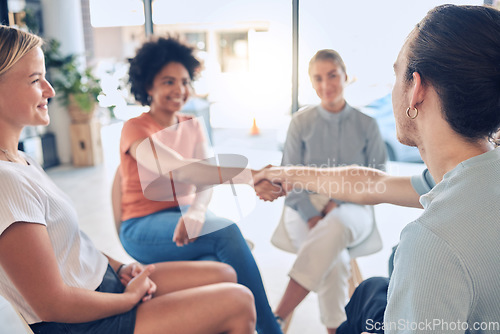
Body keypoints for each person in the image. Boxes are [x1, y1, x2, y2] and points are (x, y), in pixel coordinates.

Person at [255, 4, 500, 333]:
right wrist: (287, 174)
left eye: (396, 74)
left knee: (365, 297)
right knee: (370, 290)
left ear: (415, 89)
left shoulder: (432, 243)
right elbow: (372, 182)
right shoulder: (476, 173)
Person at [0, 25, 257, 334]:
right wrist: (129, 299)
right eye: (34, 79)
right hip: (88, 321)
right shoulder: (6, 181)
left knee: (225, 275)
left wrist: (120, 267)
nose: (50, 90)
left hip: (106, 284)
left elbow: (69, 245)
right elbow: (52, 305)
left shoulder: (22, 162)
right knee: (238, 301)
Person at [119, 36, 282, 334]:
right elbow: (180, 171)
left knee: (220, 266)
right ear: (148, 86)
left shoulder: (192, 123)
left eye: (184, 81)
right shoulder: (136, 128)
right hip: (141, 227)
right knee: (227, 232)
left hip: (183, 222)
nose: (179, 90)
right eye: (168, 81)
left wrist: (195, 212)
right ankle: (271, 329)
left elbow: (204, 179)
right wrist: (250, 176)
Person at [273, 49, 386, 333]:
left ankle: (277, 316)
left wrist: (340, 201)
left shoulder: (367, 124)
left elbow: (378, 180)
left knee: (335, 225)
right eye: (318, 78)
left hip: (355, 207)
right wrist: (313, 213)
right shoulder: (300, 122)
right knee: (335, 262)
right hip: (302, 206)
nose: (326, 85)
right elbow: (289, 176)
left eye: (332, 75)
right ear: (312, 83)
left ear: (346, 76)